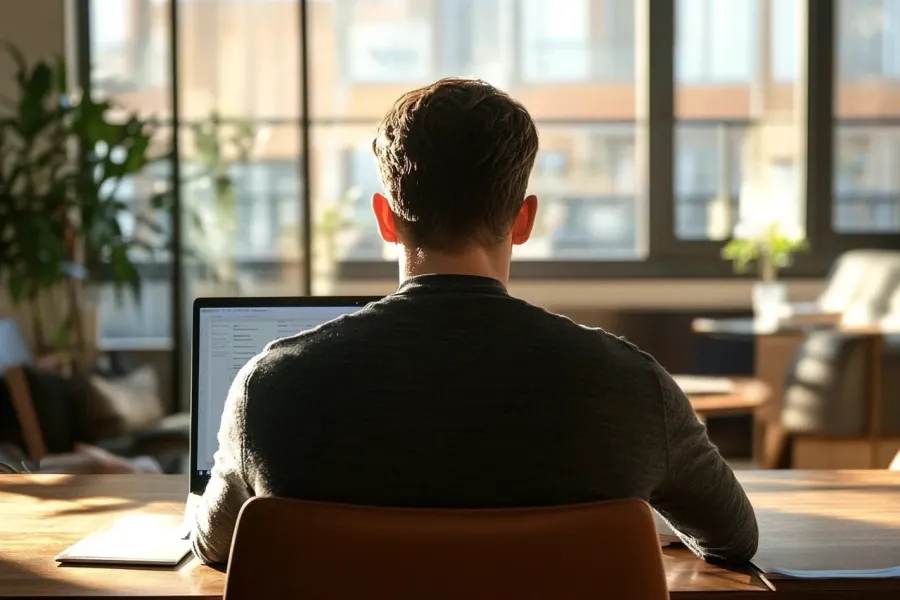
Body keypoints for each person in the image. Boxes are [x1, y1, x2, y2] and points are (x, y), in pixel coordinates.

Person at [190, 77, 758, 565]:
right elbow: (733, 540)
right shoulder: (634, 389)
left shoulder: (268, 389)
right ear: (524, 220)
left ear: (385, 218)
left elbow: (213, 547)